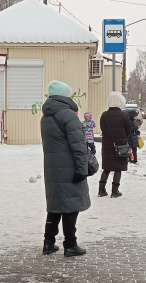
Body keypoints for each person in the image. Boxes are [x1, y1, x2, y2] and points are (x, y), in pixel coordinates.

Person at [40, 80, 91, 257]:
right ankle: (70, 244)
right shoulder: (68, 115)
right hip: (69, 167)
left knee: (55, 205)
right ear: (65, 96)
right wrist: (82, 168)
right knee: (70, 205)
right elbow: (78, 145)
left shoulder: (46, 115)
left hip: (53, 167)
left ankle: (48, 242)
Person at [98, 91, 131, 198]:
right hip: (120, 146)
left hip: (107, 146)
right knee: (118, 168)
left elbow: (102, 129)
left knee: (106, 168)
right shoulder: (124, 115)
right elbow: (128, 130)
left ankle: (101, 190)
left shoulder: (104, 115)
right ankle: (114, 191)